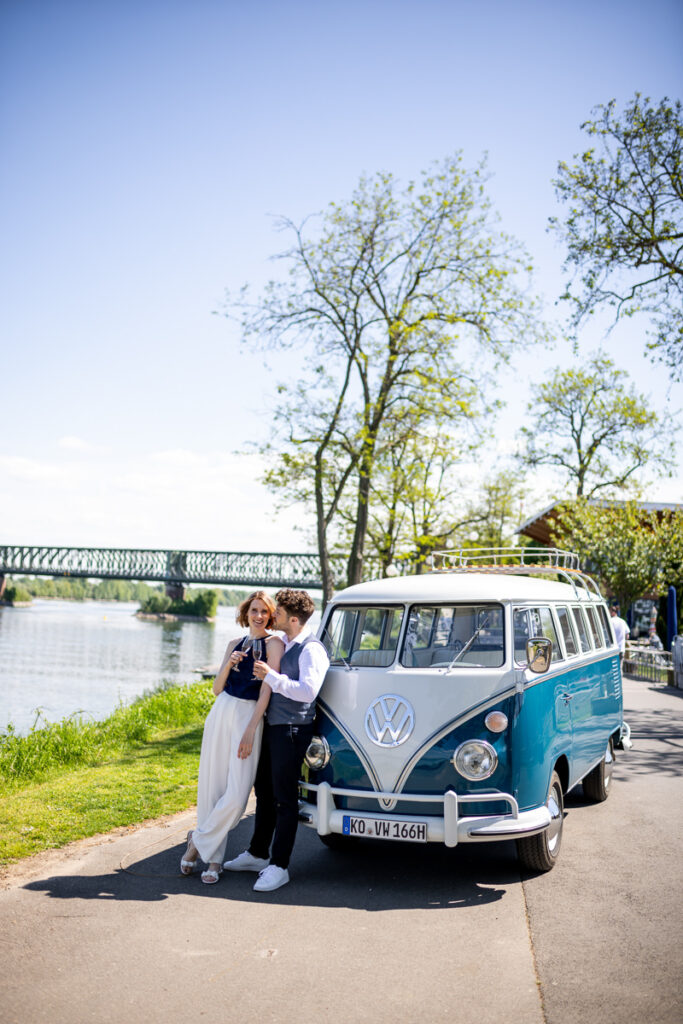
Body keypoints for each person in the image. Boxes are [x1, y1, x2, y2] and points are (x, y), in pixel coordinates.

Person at [223, 588, 329, 892]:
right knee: (264, 792)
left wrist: (271, 676)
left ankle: (279, 866)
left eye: (278, 613)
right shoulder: (283, 642)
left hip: (293, 729)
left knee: (285, 799)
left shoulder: (312, 650)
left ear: (293, 618)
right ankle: (257, 853)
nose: (272, 616)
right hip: (273, 726)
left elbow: (308, 692)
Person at [180, 591, 284, 883]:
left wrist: (251, 728)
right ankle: (213, 861)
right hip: (221, 713)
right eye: (254, 610)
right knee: (212, 787)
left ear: (271, 614)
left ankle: (195, 842)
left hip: (248, 717)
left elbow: (267, 690)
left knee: (237, 794)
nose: (258, 616)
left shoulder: (275, 644)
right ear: (246, 612)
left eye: (264, 611)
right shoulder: (232, 643)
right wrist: (229, 664)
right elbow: (216, 689)